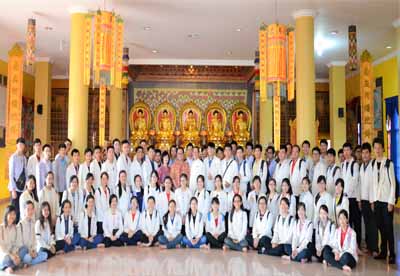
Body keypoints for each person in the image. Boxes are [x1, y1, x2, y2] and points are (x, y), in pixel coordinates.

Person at [371, 137, 396, 264]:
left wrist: (391, 201)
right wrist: (372, 201)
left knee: (388, 228)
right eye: (375, 148)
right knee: (380, 226)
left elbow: (393, 184)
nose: (377, 150)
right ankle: (383, 251)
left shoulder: (388, 163)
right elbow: (373, 184)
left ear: (383, 148)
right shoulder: (373, 163)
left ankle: (392, 253)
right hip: (377, 201)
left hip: (387, 202)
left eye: (379, 148)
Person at [359, 142, 378, 256]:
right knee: (366, 223)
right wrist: (360, 200)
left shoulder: (373, 165)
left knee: (373, 224)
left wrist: (372, 201)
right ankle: (369, 246)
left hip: (372, 201)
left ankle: (375, 248)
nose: (365, 155)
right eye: (363, 153)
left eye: (367, 153)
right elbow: (361, 184)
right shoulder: (362, 166)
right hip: (364, 199)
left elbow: (373, 185)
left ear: (370, 154)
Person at [341, 142, 361, 247]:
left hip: (352, 197)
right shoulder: (343, 164)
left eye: (348, 150)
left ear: (351, 151)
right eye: (344, 150)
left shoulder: (355, 164)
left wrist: (346, 193)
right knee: (347, 220)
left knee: (356, 221)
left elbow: (354, 181)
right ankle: (348, 242)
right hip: (345, 197)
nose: (346, 152)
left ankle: (357, 244)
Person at [19, 201, 48, 267]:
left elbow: (34, 241)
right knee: (28, 257)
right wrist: (29, 252)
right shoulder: (20, 225)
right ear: (24, 211)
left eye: (32, 209)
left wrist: (34, 251)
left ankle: (28, 263)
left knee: (45, 254)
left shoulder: (33, 223)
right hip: (24, 251)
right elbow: (20, 244)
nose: (30, 211)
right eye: (28, 209)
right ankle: (28, 261)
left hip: (31, 251)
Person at [0, 205, 25, 273]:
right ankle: (6, 267)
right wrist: (11, 256)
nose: (12, 216)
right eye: (10, 214)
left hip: (12, 253)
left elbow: (16, 244)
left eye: (14, 214)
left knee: (24, 249)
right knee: (6, 258)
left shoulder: (15, 228)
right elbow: (2, 248)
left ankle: (11, 265)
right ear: (6, 214)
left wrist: (15, 254)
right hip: (4, 254)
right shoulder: (1, 228)